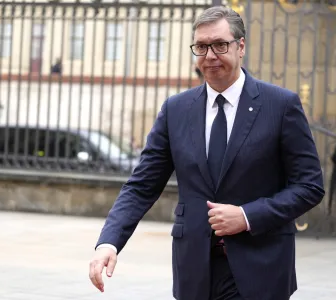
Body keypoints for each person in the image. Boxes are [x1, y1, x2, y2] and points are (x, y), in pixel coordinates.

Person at [88, 6, 324, 300]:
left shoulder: (281, 105)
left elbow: (310, 186)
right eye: (201, 46)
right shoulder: (176, 110)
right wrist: (108, 244)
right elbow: (141, 186)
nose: (210, 55)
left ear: (241, 47)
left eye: (219, 45)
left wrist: (247, 215)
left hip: (261, 269)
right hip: (195, 272)